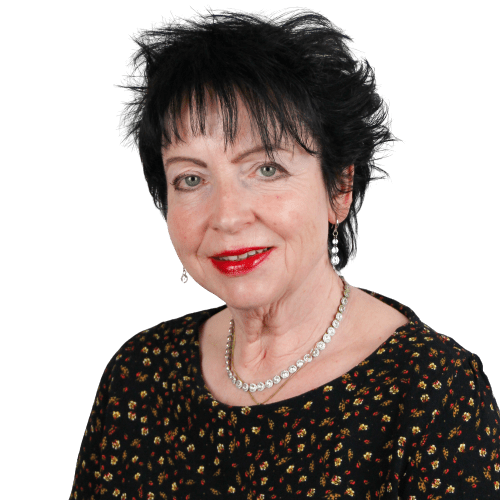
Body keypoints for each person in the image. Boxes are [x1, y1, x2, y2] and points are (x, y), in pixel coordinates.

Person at [69, 6, 500, 499]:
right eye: (190, 179)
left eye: (267, 169)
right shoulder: (140, 375)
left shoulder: (433, 389)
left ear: (340, 188)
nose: (227, 216)